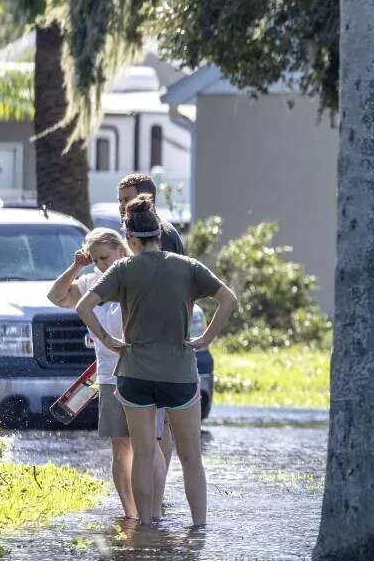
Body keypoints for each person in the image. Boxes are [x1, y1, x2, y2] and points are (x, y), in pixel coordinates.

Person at [76, 195, 236, 527]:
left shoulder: (122, 269)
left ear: (131, 240)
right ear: (159, 235)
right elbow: (227, 299)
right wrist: (205, 339)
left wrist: (109, 341)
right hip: (179, 374)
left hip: (134, 374)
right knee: (192, 458)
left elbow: (83, 307)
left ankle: (145, 526)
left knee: (144, 455)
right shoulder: (187, 267)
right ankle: (199, 529)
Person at [47, 228, 162, 520]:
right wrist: (76, 266)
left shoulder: (135, 277)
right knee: (120, 445)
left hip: (142, 372)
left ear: (122, 250)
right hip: (109, 375)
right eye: (96, 259)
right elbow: (56, 296)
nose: (100, 264)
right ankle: (131, 513)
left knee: (147, 444)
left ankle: (155, 509)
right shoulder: (88, 284)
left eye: (105, 257)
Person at [117, 172, 183, 507]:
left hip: (157, 344)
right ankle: (154, 492)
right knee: (159, 425)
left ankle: (155, 494)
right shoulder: (151, 233)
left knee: (160, 428)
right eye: (119, 201)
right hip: (159, 343)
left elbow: (163, 291)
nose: (121, 208)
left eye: (126, 201)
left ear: (147, 200)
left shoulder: (161, 237)